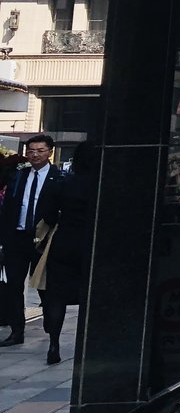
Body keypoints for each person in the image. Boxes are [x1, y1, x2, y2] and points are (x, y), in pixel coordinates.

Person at [32, 141, 99, 364]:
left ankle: (54, 343)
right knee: (93, 294)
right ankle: (91, 343)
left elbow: (49, 214)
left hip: (64, 241)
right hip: (93, 242)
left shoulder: (64, 182)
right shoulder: (103, 183)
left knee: (56, 295)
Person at [1, 134, 62, 348]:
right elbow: (8, 206)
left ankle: (51, 323)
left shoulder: (59, 177)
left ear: (50, 152)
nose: (35, 155)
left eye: (40, 150)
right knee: (14, 286)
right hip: (17, 237)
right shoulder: (18, 175)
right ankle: (17, 330)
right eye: (31, 151)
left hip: (41, 240)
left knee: (45, 286)